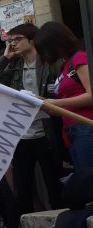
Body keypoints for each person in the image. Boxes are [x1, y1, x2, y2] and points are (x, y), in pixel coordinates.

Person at [0, 23, 59, 228]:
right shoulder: (14, 66)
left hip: (46, 132)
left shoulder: (48, 64)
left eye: (16, 39)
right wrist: (5, 59)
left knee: (53, 185)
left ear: (31, 40)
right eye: (10, 40)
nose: (12, 44)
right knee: (22, 190)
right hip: (22, 135)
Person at [35, 21, 93, 173]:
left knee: (88, 180)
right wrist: (46, 104)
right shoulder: (65, 66)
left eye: (46, 50)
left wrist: (56, 102)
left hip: (86, 126)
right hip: (72, 130)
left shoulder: (79, 59)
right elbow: (66, 105)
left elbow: (90, 95)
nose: (46, 55)